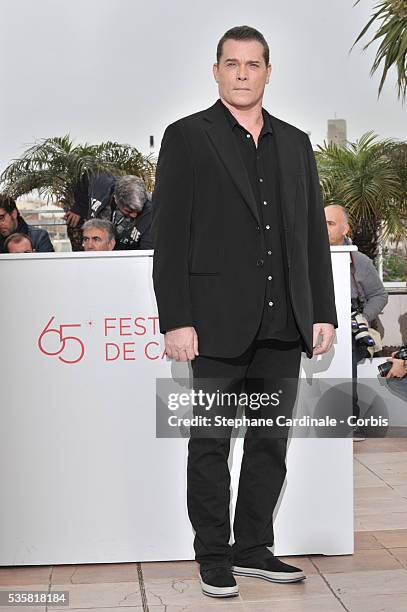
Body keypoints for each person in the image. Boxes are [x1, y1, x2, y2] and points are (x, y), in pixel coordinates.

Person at [152, 26, 337, 598]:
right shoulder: (187, 137)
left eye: (252, 64)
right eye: (231, 63)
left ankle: (253, 546)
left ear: (267, 72)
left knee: (268, 442)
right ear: (216, 71)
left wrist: (322, 311)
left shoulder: (295, 142)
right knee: (209, 442)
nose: (241, 73)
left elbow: (310, 236)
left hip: (284, 323)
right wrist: (176, 319)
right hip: (212, 324)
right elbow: (170, 237)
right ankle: (213, 554)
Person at [325, 204, 388, 439]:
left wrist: (363, 317)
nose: (323, 229)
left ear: (345, 228)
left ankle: (351, 421)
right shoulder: (308, 256)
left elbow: (380, 295)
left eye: (330, 224)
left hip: (351, 331)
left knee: (347, 363)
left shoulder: (358, 260)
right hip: (316, 325)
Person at [67, 173, 153, 250]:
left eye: (138, 210)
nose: (134, 215)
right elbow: (86, 177)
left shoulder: (151, 212)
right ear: (116, 198)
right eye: (129, 210)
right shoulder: (99, 181)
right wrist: (79, 207)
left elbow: (147, 250)